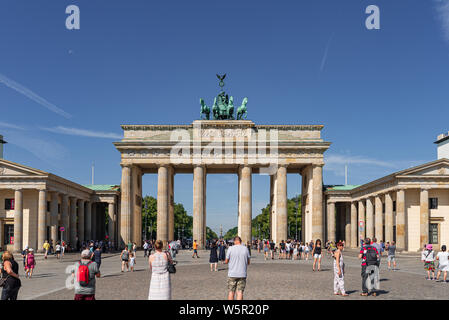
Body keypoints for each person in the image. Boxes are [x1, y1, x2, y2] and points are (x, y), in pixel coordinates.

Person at [225, 236, 251, 300]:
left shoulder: (230, 248)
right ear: (240, 241)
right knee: (240, 292)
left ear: (234, 241)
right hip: (242, 273)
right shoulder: (245, 249)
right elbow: (248, 262)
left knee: (231, 292)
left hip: (232, 274)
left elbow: (226, 261)